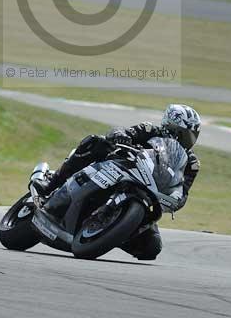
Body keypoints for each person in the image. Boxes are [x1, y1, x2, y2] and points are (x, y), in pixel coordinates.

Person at [31, 104, 201, 260]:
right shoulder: (150, 130)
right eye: (183, 133)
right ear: (170, 126)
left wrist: (177, 200)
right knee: (95, 142)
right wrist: (121, 136)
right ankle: (52, 183)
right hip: (121, 168)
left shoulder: (191, 163)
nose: (187, 139)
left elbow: (183, 190)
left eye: (192, 136)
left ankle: (114, 231)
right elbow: (122, 131)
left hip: (150, 193)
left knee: (152, 248)